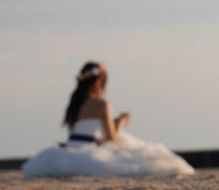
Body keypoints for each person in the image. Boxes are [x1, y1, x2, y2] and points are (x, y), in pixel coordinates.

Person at [22, 62, 194, 177]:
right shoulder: (102, 104)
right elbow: (111, 139)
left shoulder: (74, 105)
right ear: (98, 84)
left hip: (66, 152)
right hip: (89, 152)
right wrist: (121, 122)